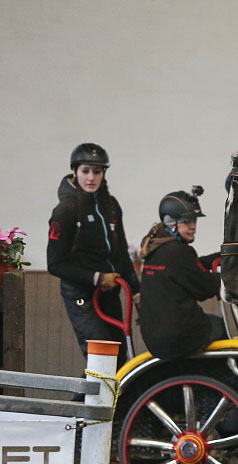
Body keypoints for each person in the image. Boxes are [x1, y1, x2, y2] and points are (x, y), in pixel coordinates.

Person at [47, 143, 140, 364]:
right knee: (101, 357)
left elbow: (121, 255)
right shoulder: (65, 211)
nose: (91, 178)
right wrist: (96, 278)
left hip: (110, 291)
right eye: (85, 171)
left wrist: (137, 294)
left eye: (96, 171)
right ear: (74, 171)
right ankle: (84, 400)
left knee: (118, 357)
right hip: (81, 294)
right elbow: (55, 264)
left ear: (103, 174)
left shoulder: (111, 205)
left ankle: (111, 400)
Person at [139, 187, 224, 360]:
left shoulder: (156, 249)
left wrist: (225, 255)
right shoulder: (178, 252)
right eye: (187, 222)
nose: (193, 227)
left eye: (194, 221)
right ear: (171, 223)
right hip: (180, 337)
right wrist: (233, 276)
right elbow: (204, 288)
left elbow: (190, 268)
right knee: (225, 328)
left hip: (154, 338)